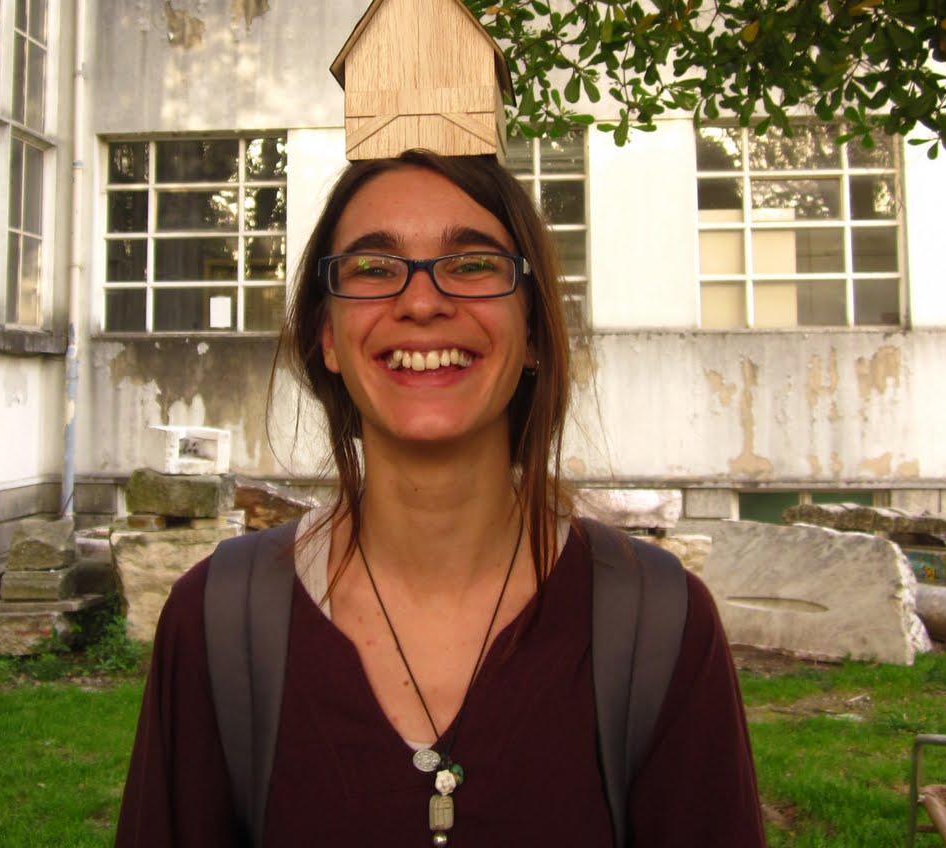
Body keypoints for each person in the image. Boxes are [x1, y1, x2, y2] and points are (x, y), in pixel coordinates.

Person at [115, 149, 765, 847]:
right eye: (373, 268)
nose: (422, 302)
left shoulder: (660, 626)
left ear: (533, 331)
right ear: (328, 338)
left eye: (473, 264)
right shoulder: (217, 623)